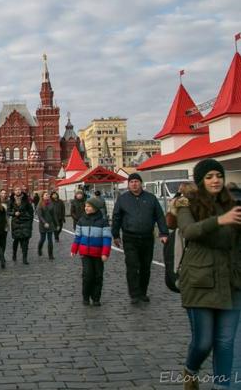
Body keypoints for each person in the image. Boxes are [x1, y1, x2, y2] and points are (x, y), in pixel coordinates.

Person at [176, 159, 241, 389]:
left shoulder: (233, 205)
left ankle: (221, 386)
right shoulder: (187, 205)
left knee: (225, 342)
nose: (215, 180)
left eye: (219, 176)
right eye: (210, 176)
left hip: (231, 281)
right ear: (201, 181)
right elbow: (189, 231)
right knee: (203, 343)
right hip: (200, 281)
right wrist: (219, 221)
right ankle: (190, 370)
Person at [112, 172, 169, 305]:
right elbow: (116, 217)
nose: (134, 184)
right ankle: (134, 294)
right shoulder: (123, 199)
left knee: (145, 267)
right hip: (130, 237)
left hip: (147, 238)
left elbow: (160, 216)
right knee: (132, 266)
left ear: (141, 183)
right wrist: (115, 235)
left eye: (136, 181)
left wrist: (164, 233)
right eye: (131, 182)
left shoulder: (151, 198)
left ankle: (143, 292)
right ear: (128, 184)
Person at [70, 197, 111, 306]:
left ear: (95, 208)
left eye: (88, 206)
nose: (86, 208)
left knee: (98, 276)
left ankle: (96, 298)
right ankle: (86, 296)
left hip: (98, 254)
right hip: (85, 253)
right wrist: (74, 249)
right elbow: (77, 236)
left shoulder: (103, 222)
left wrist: (105, 253)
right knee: (87, 276)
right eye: (86, 206)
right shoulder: (82, 220)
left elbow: (107, 238)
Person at [8, 187, 34, 264]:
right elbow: (8, 211)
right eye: (16, 190)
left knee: (25, 241)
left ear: (21, 191)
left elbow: (31, 211)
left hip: (25, 222)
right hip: (16, 223)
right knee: (16, 240)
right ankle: (14, 254)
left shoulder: (26, 200)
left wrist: (30, 220)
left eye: (19, 190)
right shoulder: (11, 200)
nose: (18, 191)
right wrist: (14, 213)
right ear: (14, 191)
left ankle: (24, 258)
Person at [37, 192, 57, 260]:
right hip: (43, 225)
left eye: (48, 194)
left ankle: (50, 255)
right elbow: (40, 216)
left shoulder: (51, 203)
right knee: (42, 239)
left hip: (50, 224)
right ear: (42, 196)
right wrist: (44, 223)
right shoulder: (40, 204)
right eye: (46, 195)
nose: (47, 195)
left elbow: (54, 215)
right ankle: (39, 249)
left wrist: (57, 224)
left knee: (50, 240)